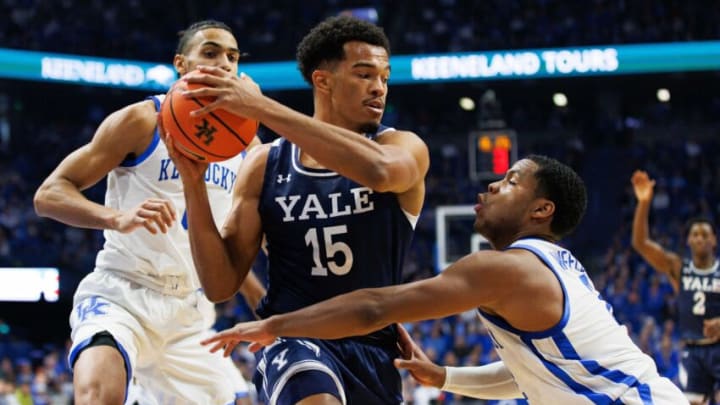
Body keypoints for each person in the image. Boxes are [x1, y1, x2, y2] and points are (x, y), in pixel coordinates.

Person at [202, 156, 688, 404]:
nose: (492, 185)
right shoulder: (556, 267)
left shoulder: (506, 269)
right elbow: (525, 376)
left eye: (512, 181)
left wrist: (278, 325)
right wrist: (444, 377)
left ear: (542, 211)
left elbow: (375, 307)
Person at [165, 15, 429, 405]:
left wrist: (263, 108)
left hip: (374, 350)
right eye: (364, 75)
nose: (379, 88)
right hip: (292, 342)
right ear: (322, 80)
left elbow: (380, 172)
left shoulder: (403, 147)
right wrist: (193, 183)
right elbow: (220, 285)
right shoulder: (264, 165)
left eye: (384, 78)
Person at [33, 20, 264, 405]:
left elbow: (234, 241)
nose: (224, 63)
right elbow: (49, 193)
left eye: (232, 57)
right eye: (210, 53)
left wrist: (265, 307)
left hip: (189, 312)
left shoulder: (248, 146)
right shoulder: (142, 120)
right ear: (181, 64)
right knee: (98, 394)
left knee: (241, 399)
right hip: (124, 291)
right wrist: (114, 217)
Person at [631, 170, 720, 405]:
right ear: (688, 240)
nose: (700, 238)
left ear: (714, 240)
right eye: (695, 234)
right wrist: (643, 203)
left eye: (705, 234)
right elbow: (641, 244)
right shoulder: (678, 268)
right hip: (693, 351)